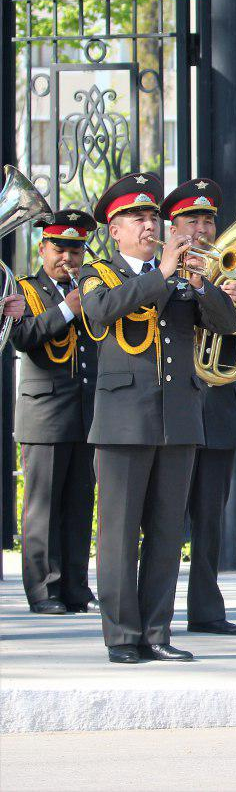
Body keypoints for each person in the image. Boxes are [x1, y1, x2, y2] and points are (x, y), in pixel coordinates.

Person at [80, 172, 236, 664]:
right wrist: (162, 274)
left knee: (168, 530)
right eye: (137, 218)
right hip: (124, 418)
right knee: (119, 532)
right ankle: (122, 635)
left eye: (153, 217)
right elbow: (103, 312)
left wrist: (200, 282)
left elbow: (227, 324)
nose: (149, 225)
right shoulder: (100, 273)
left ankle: (155, 630)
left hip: (179, 416)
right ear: (115, 230)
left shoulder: (184, 271)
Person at [159, 178, 236, 637]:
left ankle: (206, 609)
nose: (201, 229)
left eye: (208, 219)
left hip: (217, 408)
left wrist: (229, 299)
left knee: (210, 518)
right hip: (173, 410)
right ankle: (157, 613)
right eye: (191, 220)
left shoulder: (232, 275)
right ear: (172, 226)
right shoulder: (158, 274)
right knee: (166, 519)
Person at [9, 209, 100, 615]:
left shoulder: (91, 285)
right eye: (60, 249)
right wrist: (66, 308)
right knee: (43, 507)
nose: (69, 258)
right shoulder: (27, 290)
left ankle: (77, 586)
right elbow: (23, 337)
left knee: (80, 502)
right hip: (44, 413)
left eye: (76, 250)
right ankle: (44, 590)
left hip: (86, 410)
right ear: (42, 248)